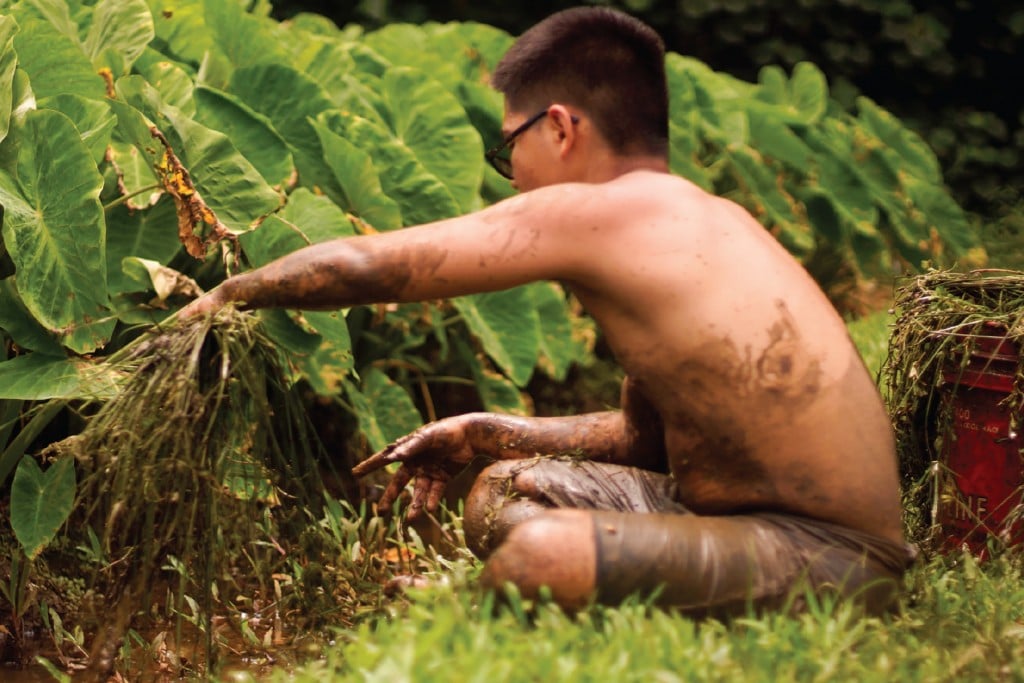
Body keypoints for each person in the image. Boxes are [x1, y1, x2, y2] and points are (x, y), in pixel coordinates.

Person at [180, 7, 915, 616]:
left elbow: (365, 264)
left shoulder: (602, 213)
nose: (512, 175)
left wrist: (223, 295)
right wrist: (487, 431)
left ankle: (477, 606)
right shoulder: (698, 220)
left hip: (834, 557)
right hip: (734, 515)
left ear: (560, 128)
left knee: (538, 552)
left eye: (509, 149)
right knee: (505, 484)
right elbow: (648, 439)